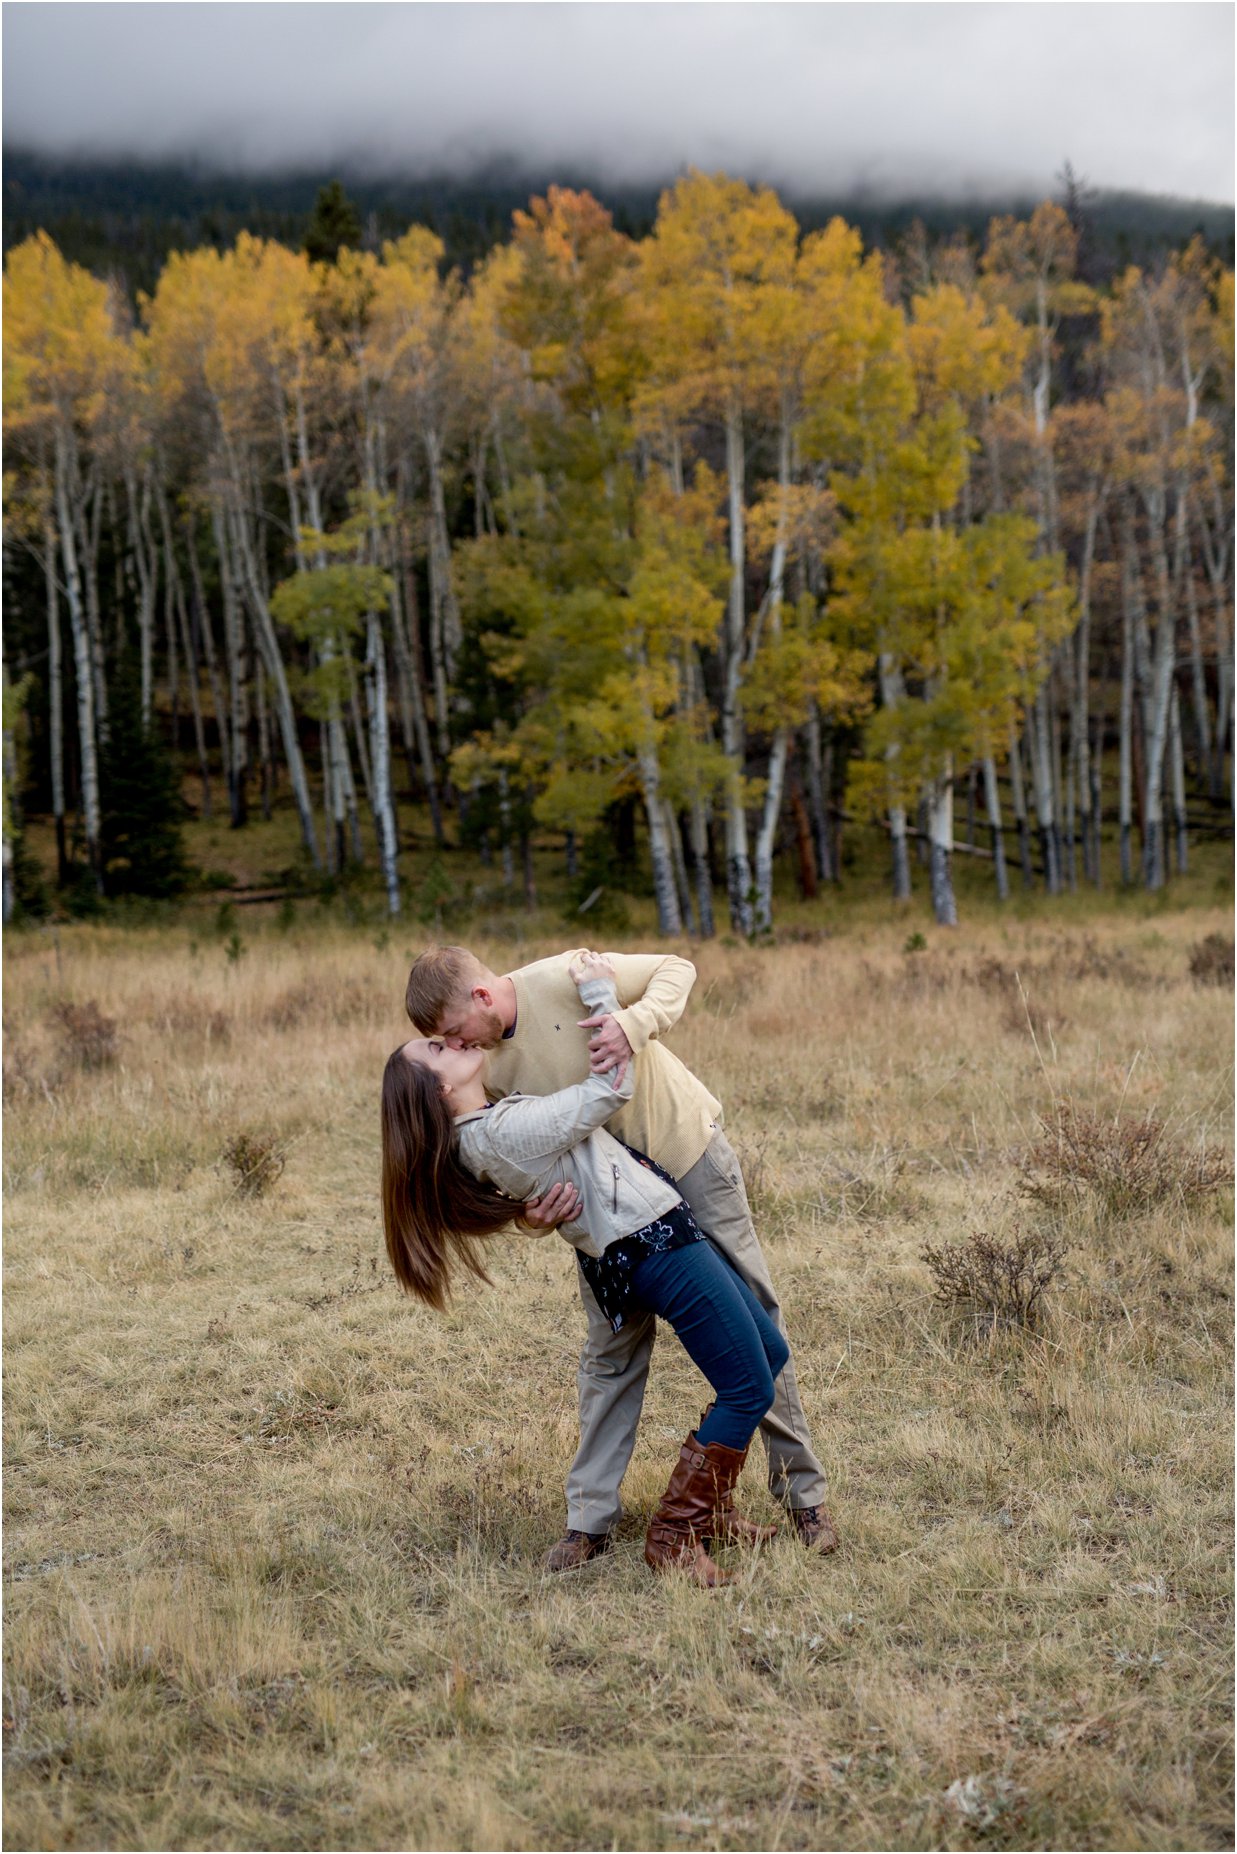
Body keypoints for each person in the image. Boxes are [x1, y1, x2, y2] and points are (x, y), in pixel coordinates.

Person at [404, 941, 838, 1569]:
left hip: (686, 1159)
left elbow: (677, 969)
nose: (461, 1045)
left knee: (758, 1323)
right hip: (610, 1215)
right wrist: (529, 1218)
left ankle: (804, 1498)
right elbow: (507, 1162)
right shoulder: (480, 1068)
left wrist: (629, 1025)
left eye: (454, 1032)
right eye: (446, 1043)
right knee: (611, 1356)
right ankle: (589, 1522)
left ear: (479, 998)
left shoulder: (565, 976)